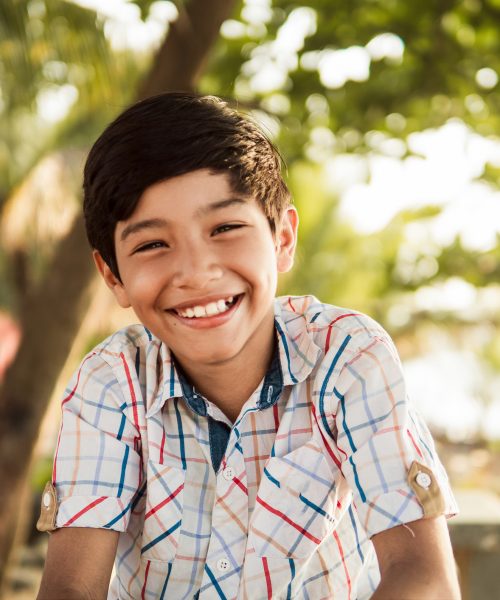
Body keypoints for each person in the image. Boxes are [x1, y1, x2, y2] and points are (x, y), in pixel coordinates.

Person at [37, 92, 460, 600]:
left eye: (226, 228)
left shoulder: (349, 358)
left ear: (282, 238)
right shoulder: (111, 383)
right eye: (152, 244)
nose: (197, 272)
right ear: (113, 276)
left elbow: (424, 576)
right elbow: (70, 590)